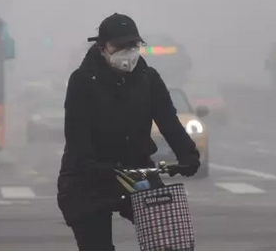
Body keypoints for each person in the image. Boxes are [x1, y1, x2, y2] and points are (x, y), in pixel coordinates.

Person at [57, 13, 201, 251]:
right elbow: (76, 135)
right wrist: (93, 164)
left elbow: (168, 120)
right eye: (119, 46)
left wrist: (188, 155)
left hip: (136, 171)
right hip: (87, 178)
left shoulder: (149, 79)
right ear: (102, 47)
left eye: (132, 45)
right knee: (96, 244)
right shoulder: (82, 81)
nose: (128, 52)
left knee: (170, 239)